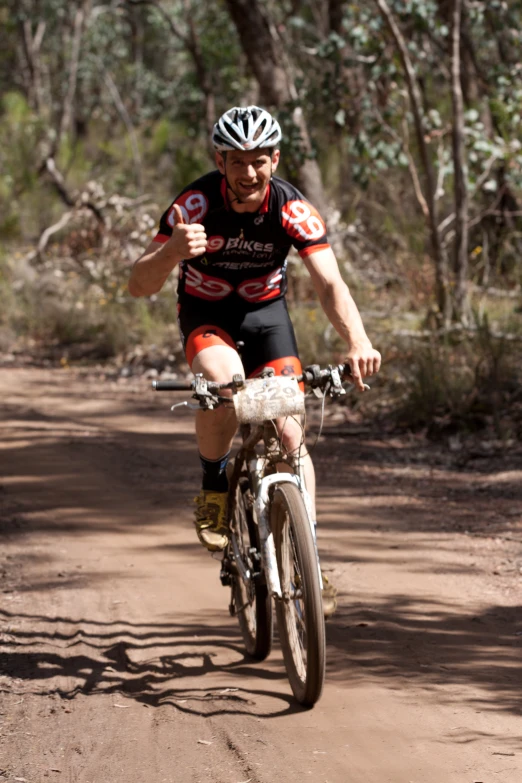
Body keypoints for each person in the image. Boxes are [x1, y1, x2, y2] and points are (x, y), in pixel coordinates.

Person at [128, 106, 381, 616]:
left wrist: (358, 340)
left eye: (259, 161)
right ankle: (214, 486)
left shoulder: (292, 209)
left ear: (275, 159)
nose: (248, 173)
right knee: (225, 387)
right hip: (207, 315)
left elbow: (330, 283)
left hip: (266, 319)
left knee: (292, 433)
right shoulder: (193, 205)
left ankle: (306, 552)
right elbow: (138, 285)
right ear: (220, 161)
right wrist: (171, 252)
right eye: (237, 161)